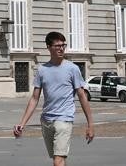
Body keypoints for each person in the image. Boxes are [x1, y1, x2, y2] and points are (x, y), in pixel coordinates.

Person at [13, 31, 95, 166]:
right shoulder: (42, 70)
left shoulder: (72, 69)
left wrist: (90, 125)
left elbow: (82, 96)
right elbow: (34, 98)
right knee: (59, 159)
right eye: (57, 46)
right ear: (48, 47)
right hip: (46, 121)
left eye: (63, 45)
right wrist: (22, 124)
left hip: (64, 119)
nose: (61, 48)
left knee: (58, 161)